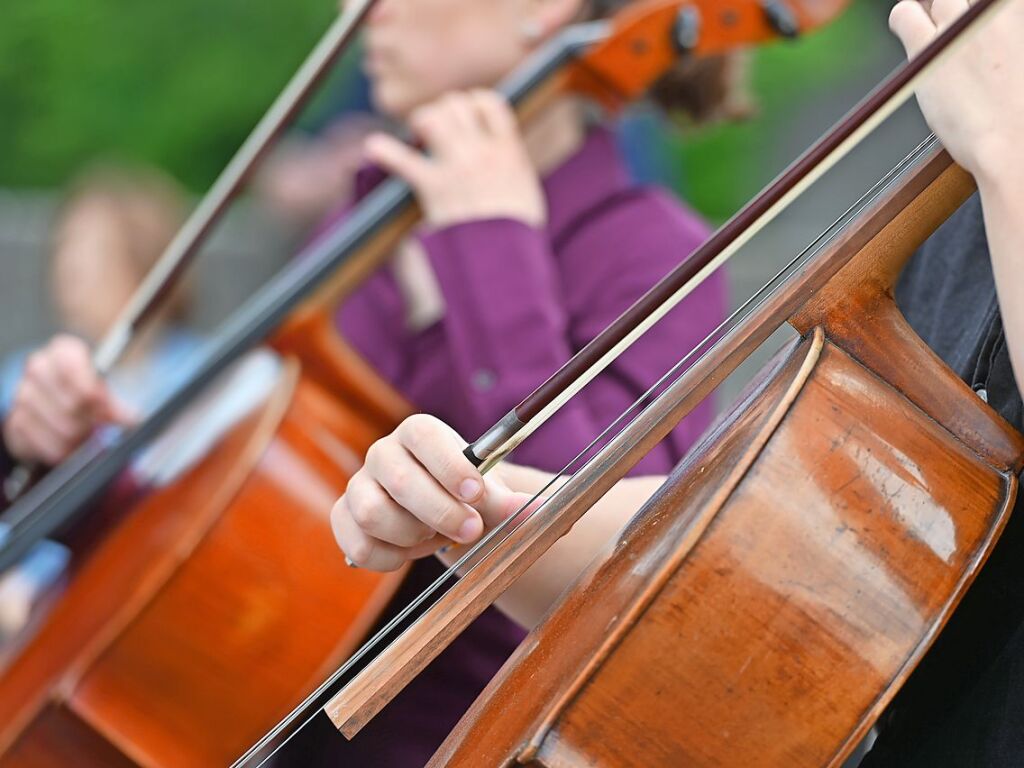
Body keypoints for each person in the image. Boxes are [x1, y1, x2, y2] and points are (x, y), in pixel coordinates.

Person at [331, 0, 1024, 763]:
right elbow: (773, 536)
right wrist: (482, 511)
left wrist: (1006, 145)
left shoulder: (989, 141)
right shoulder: (946, 187)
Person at [0, 164, 198, 641]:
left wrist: (37, 586)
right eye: (66, 249)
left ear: (147, 258)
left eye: (92, 252)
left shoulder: (209, 373)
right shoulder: (29, 374)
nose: (70, 270)